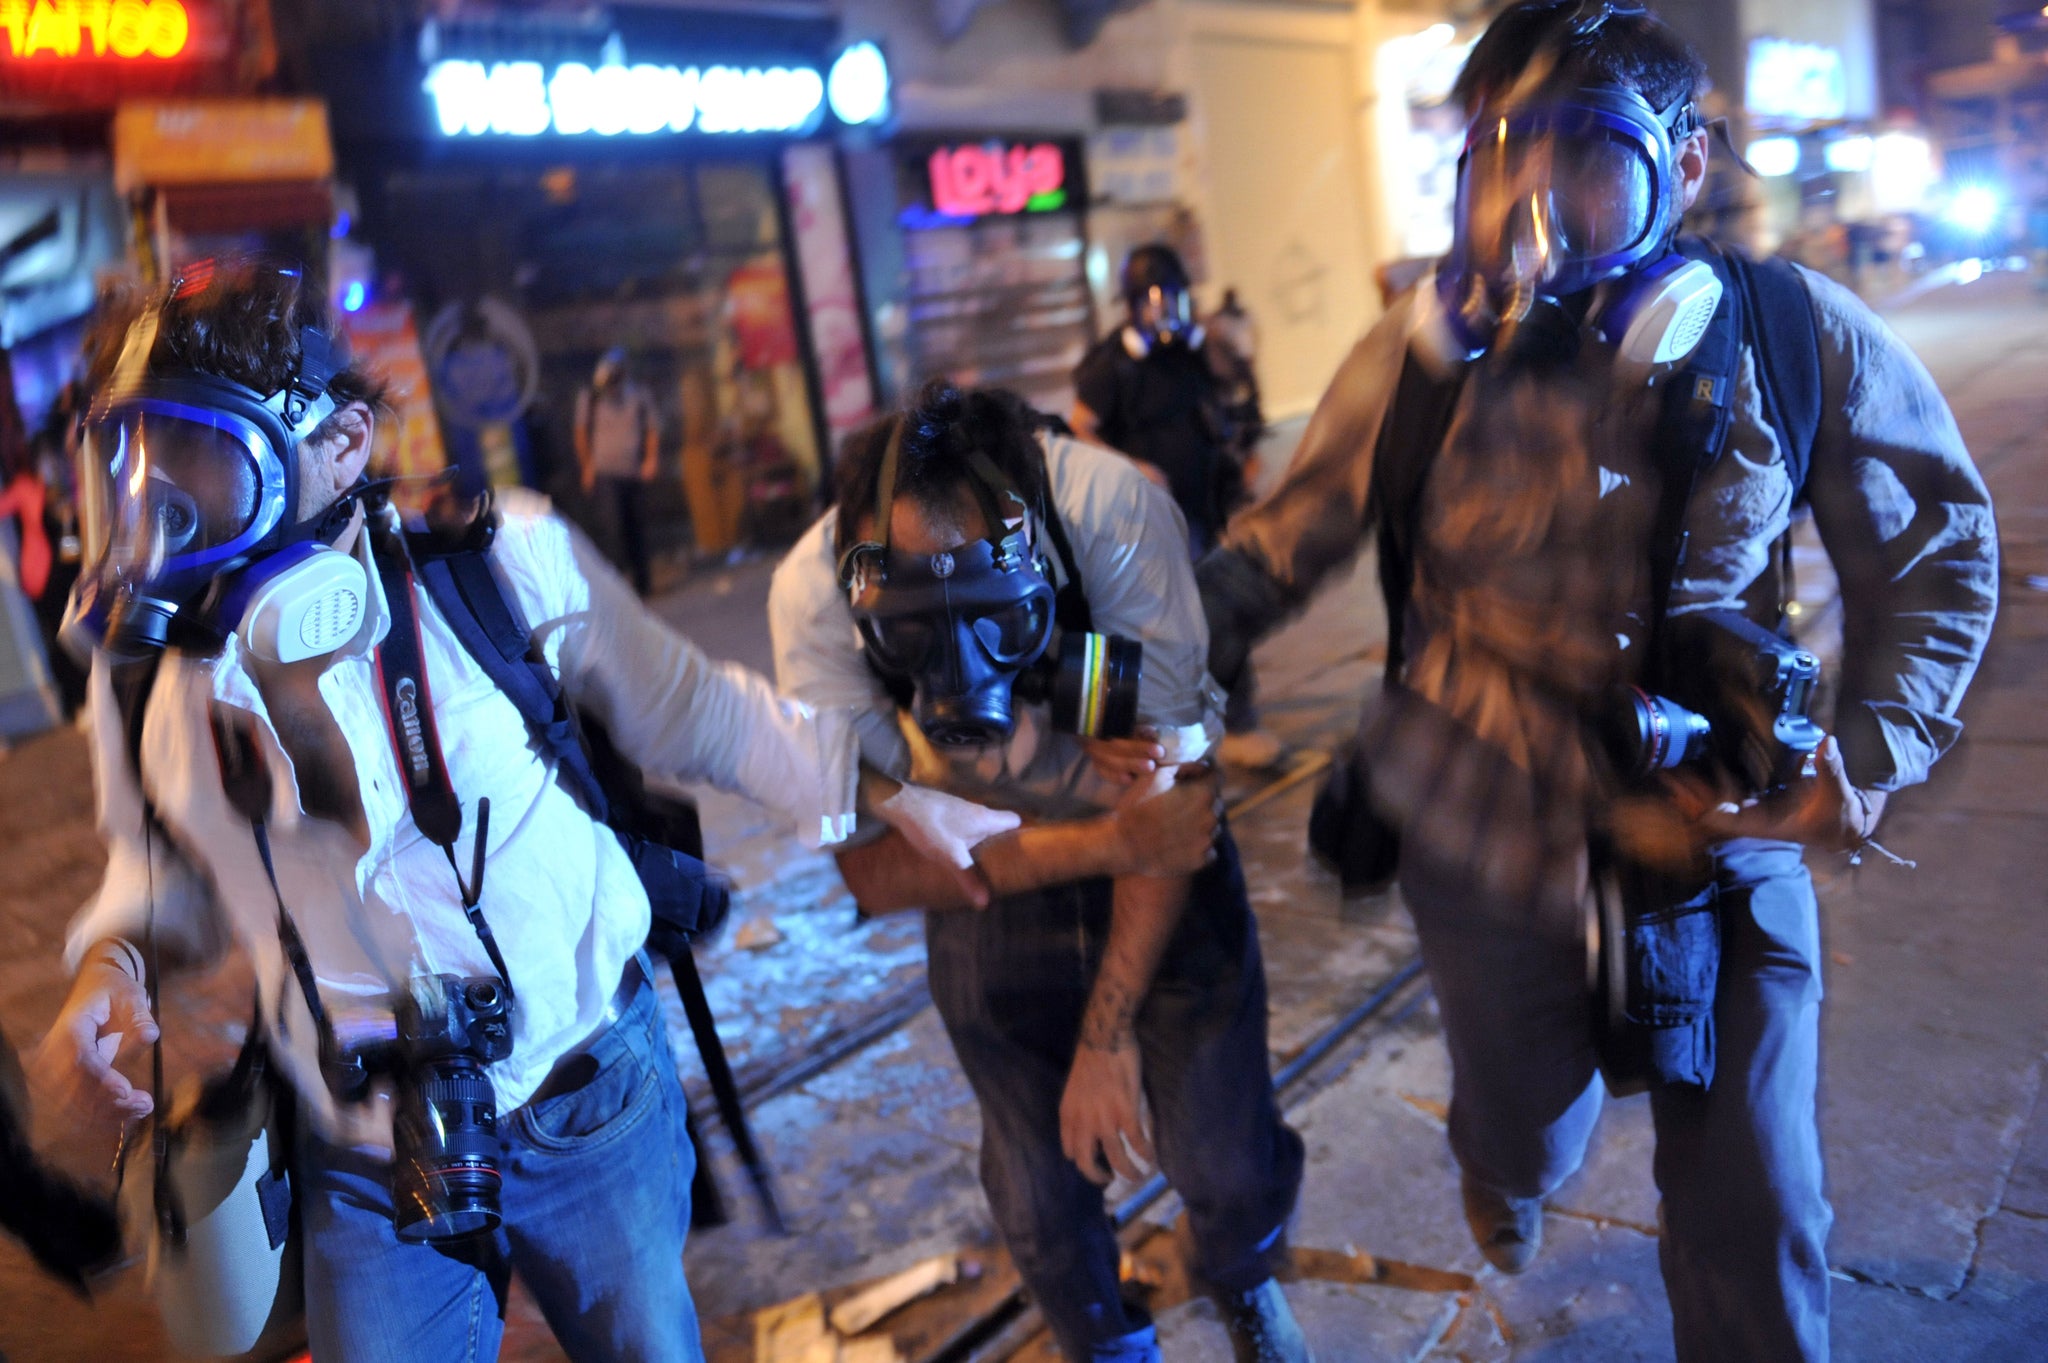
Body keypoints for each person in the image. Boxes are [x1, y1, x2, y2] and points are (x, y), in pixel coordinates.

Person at [30, 258, 1021, 1363]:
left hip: (580, 1086)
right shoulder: (155, 691)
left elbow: (692, 707)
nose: (164, 513)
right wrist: (107, 975)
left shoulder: (495, 564)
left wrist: (880, 795)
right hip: (358, 1143)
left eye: (206, 459)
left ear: (342, 444)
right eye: (139, 464)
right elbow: (154, 879)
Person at [1194, 4, 1998, 1361]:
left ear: (1685, 167)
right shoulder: (1415, 355)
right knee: (1528, 1118)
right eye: (1497, 159)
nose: (1529, 208)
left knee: (1758, 1197)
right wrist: (1127, 636)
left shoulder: (1788, 335)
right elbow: (1281, 541)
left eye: (1579, 156)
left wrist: (1858, 760)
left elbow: (1936, 547)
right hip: (1480, 829)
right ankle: (1503, 1164)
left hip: (1714, 827)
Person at [770, 382, 1311, 1363]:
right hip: (996, 868)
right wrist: (1106, 840)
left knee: (1227, 1167)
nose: (954, 668)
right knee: (1036, 1198)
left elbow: (1175, 818)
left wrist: (1105, 1041)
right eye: (912, 633)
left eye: (990, 619)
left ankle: (1243, 1274)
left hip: (1118, 859)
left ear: (1027, 549)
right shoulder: (811, 596)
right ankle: (1104, 1345)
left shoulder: (1107, 511)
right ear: (859, 578)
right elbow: (875, 876)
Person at [1073, 248, 1280, 770]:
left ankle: (1238, 725)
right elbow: (1081, 428)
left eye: (1173, 298)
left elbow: (1227, 408)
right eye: (1152, 301)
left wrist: (1241, 455)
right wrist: (1133, 468)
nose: (1165, 311)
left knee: (1219, 613)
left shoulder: (1195, 355)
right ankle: (1125, 746)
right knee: (1138, 630)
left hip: (1201, 507)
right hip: (1140, 522)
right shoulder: (1109, 366)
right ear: (1132, 305)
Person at [573, 346, 660, 595]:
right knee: (614, 529)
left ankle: (644, 585)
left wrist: (651, 459)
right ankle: (619, 586)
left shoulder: (638, 395)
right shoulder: (591, 397)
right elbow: (581, 433)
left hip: (633, 471)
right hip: (605, 473)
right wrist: (587, 465)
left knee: (637, 528)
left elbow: (652, 428)